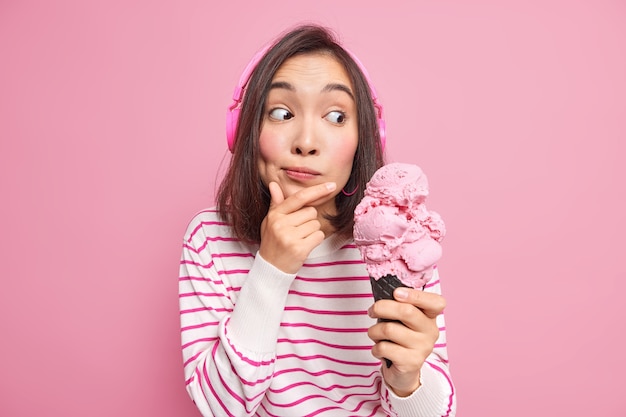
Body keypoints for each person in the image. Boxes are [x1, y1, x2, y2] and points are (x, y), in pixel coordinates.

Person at [179, 23, 456, 417]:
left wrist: (408, 380)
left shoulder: (398, 240)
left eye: (337, 117)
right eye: (281, 112)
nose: (306, 141)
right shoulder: (210, 239)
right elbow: (220, 409)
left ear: (367, 138)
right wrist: (272, 270)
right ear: (244, 130)